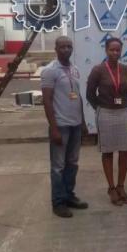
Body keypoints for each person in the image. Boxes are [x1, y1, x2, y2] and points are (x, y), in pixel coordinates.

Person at [41, 36, 88, 218]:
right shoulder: (50, 71)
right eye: (62, 47)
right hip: (60, 125)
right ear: (56, 49)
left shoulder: (74, 69)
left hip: (75, 125)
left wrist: (82, 122)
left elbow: (78, 96)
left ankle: (69, 196)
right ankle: (58, 202)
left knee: (72, 163)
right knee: (58, 167)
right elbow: (47, 100)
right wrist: (53, 128)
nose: (66, 50)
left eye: (69, 46)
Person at [86, 37, 127, 206]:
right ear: (106, 50)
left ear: (121, 51)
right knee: (108, 152)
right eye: (112, 50)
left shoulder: (126, 69)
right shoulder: (98, 70)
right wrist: (100, 108)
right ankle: (111, 188)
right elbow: (90, 94)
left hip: (123, 113)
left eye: (118, 50)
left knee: (124, 151)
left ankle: (121, 186)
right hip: (105, 113)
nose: (115, 52)